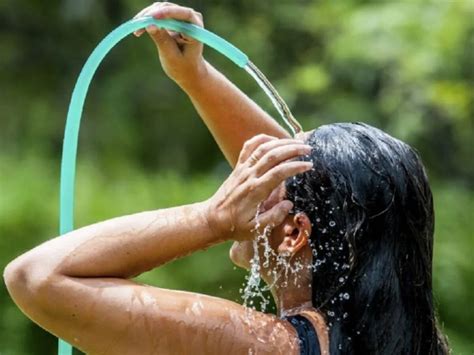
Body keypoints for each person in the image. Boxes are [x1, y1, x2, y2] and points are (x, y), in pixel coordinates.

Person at [3, 3, 449, 354]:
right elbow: (317, 190)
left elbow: (37, 276)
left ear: (294, 232)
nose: (245, 179)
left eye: (259, 178)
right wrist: (195, 76)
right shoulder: (409, 340)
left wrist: (211, 218)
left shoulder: (268, 347)